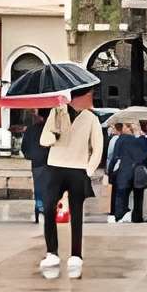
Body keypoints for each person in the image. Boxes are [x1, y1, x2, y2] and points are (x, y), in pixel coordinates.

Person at [36, 87, 105, 279]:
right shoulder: (57, 112)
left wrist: (88, 170)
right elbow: (44, 140)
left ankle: (76, 254)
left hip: (78, 168)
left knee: (76, 212)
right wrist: (55, 130)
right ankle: (52, 252)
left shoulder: (91, 119)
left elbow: (98, 147)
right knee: (48, 207)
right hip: (55, 166)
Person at [100, 116, 147, 227]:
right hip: (138, 173)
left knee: (121, 196)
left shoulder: (121, 139)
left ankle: (119, 216)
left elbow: (115, 157)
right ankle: (137, 217)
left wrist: (109, 172)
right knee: (138, 196)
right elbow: (146, 156)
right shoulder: (143, 140)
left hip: (124, 172)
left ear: (127, 127)